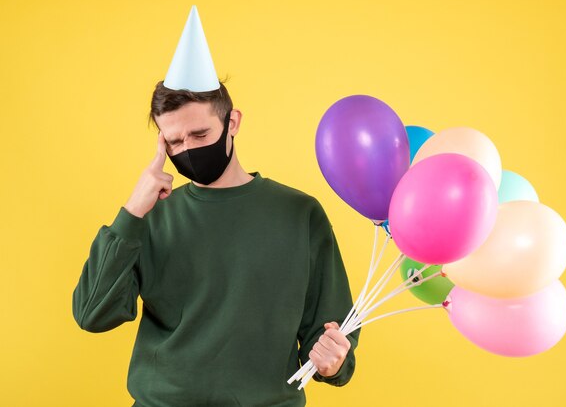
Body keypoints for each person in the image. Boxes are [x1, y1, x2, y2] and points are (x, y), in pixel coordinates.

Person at [72, 59, 359, 407]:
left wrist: (334, 362)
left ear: (232, 122)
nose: (189, 149)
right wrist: (132, 211)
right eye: (175, 141)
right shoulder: (149, 218)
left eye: (200, 134)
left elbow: (330, 332)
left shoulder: (300, 214)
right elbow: (92, 313)